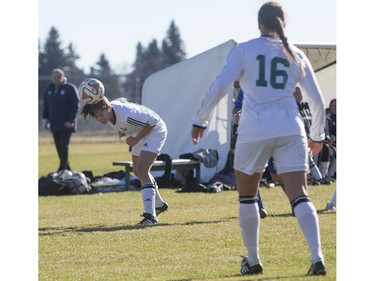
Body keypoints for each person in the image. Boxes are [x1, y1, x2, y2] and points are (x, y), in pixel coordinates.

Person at [191, 2, 326, 276]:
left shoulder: (244, 50)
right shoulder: (296, 53)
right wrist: (318, 136)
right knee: (299, 195)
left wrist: (200, 120)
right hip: (290, 127)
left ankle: (253, 261)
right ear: (283, 23)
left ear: (259, 24)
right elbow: (318, 101)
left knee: (247, 195)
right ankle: (317, 256)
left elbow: (220, 86)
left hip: (254, 129)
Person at [80, 93, 169, 226]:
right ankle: (159, 204)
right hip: (138, 131)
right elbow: (122, 99)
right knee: (137, 171)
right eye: (97, 117)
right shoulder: (110, 111)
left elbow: (152, 123)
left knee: (143, 170)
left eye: (101, 115)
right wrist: (123, 129)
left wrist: (136, 139)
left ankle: (151, 216)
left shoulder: (126, 114)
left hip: (155, 130)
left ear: (109, 109)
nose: (100, 119)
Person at [233, 88, 267, 219]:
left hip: (270, 132)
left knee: (278, 176)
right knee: (249, 170)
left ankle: (298, 203)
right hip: (250, 134)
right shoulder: (245, 87)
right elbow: (236, 109)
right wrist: (236, 117)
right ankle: (258, 206)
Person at [42, 68, 79, 171]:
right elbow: (46, 107)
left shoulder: (69, 88)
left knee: (64, 146)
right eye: (54, 77)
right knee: (58, 147)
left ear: (63, 77)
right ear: (52, 78)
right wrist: (45, 120)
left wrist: (71, 120)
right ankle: (67, 169)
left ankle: (62, 168)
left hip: (67, 124)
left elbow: (75, 105)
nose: (56, 79)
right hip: (54, 124)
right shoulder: (49, 90)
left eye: (59, 77)